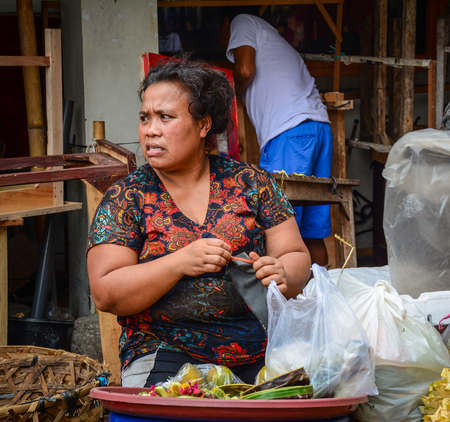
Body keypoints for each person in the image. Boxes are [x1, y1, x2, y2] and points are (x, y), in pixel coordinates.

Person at [86, 56, 311, 388]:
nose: (150, 130)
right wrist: (179, 262)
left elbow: (295, 255)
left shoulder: (251, 183)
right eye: (145, 118)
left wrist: (283, 273)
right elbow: (106, 293)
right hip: (163, 351)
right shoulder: (128, 197)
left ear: (203, 125)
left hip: (259, 349)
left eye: (165, 117)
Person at [220, 11, 333, 266]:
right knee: (310, 232)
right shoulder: (274, 41)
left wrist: (229, 95)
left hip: (290, 132)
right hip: (318, 129)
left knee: (275, 223)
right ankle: (319, 296)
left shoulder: (241, 21)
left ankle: (281, 302)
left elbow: (245, 69)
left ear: (225, 25)